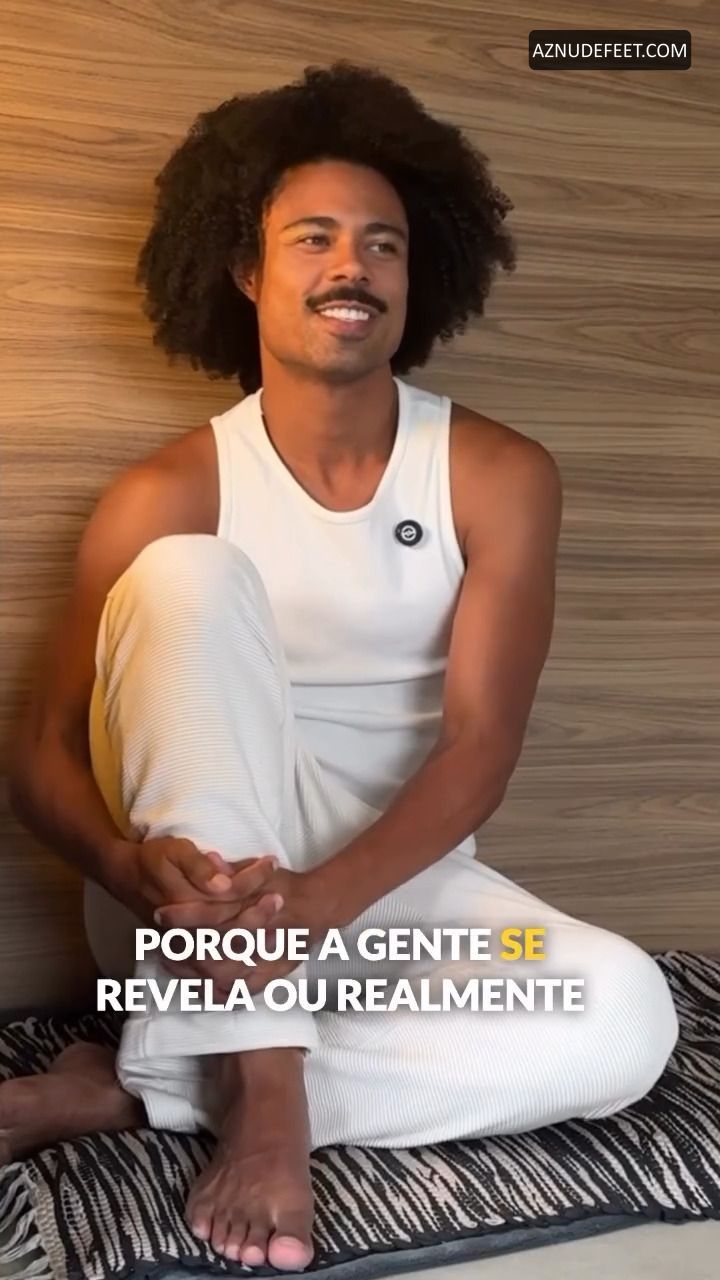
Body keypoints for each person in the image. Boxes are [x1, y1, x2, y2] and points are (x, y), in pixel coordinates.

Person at [7, 60, 678, 1273]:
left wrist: (319, 904)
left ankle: (147, 1081)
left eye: (384, 243)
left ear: (419, 277)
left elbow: (479, 745)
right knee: (189, 573)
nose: (350, 265)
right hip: (192, 906)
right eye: (311, 237)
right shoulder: (166, 490)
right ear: (246, 270)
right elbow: (43, 747)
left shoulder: (498, 474)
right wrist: (122, 862)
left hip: (389, 893)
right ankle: (264, 1090)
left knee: (624, 1014)